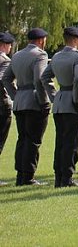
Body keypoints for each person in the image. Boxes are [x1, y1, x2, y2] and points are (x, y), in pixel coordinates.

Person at [2, 27, 51, 186]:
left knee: (22, 139)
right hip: (34, 101)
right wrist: (44, 101)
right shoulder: (40, 55)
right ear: (41, 40)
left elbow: (6, 78)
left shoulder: (17, 55)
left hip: (20, 100)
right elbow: (39, 79)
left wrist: (15, 95)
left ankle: (20, 174)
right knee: (33, 140)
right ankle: (28, 176)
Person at [40, 26, 78, 187]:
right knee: (72, 142)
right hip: (72, 102)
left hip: (60, 101)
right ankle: (67, 177)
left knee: (60, 141)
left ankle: (59, 176)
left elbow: (45, 77)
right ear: (76, 40)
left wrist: (54, 95)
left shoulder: (57, 56)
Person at [0, 32, 18, 186]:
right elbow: (3, 80)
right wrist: (15, 96)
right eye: (9, 45)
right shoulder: (5, 60)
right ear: (4, 45)